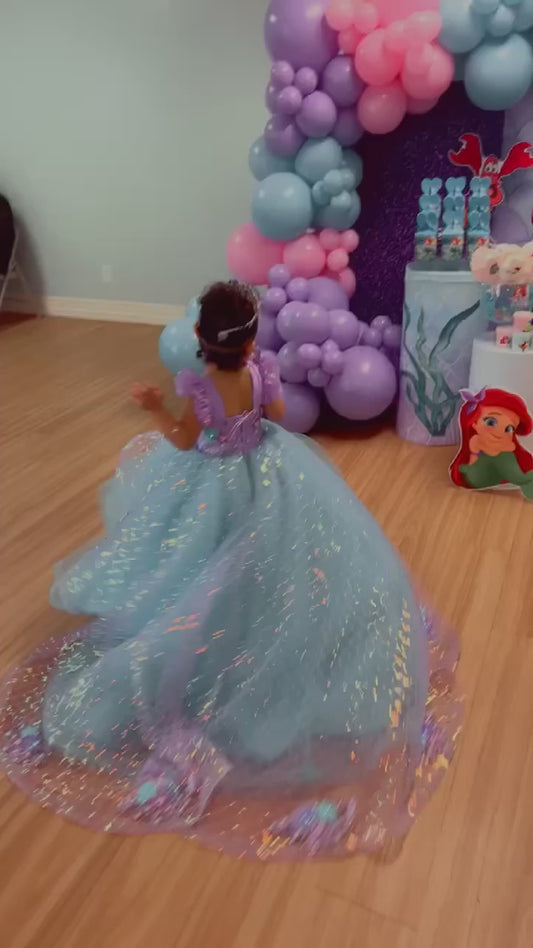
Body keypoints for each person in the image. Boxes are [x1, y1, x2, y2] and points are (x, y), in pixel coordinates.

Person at [0, 281, 461, 860]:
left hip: (213, 480)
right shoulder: (260, 370)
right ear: (250, 340)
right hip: (268, 470)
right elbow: (277, 414)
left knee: (201, 557)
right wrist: (258, 399)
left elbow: (184, 440)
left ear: (199, 335)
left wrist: (154, 408)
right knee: (272, 552)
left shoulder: (198, 384)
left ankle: (209, 628)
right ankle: (261, 613)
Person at [450, 387, 533, 501]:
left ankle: (523, 479)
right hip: (477, 474)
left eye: (509, 428)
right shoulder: (476, 441)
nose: (499, 432)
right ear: (474, 423)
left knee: (503, 456)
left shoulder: (507, 450)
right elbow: (474, 456)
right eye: (491, 422)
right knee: (501, 457)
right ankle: (523, 479)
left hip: (492, 473)